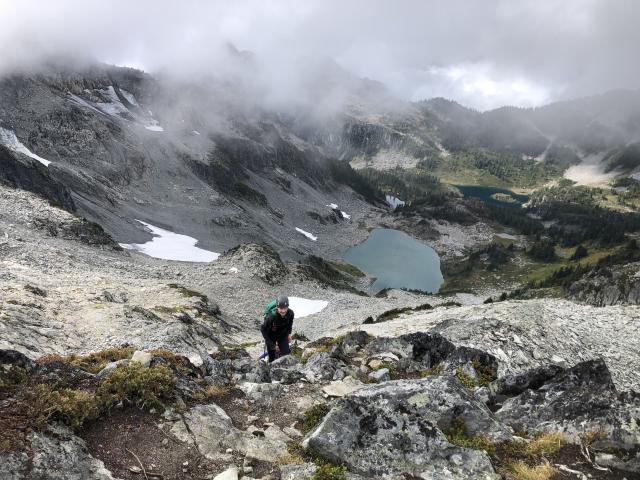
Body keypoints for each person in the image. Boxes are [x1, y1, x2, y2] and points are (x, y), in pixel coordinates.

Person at [261, 295, 294, 362]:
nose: (283, 311)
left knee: (286, 355)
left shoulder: (290, 313)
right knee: (272, 358)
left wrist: (289, 334)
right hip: (271, 336)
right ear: (277, 307)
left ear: (287, 307)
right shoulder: (271, 317)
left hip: (282, 335)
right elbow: (263, 329)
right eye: (281, 308)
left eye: (285, 308)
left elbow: (290, 324)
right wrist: (272, 345)